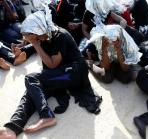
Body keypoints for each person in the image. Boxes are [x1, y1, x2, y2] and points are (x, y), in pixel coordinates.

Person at [0, 4, 101, 139]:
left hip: (73, 74)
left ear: (38, 30)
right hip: (61, 72)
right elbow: (33, 45)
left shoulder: (61, 36)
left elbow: (52, 65)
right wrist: (22, 50)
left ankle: (46, 116)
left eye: (30, 34)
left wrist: (35, 44)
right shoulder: (45, 35)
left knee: (31, 79)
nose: (29, 37)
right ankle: (12, 127)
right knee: (32, 90)